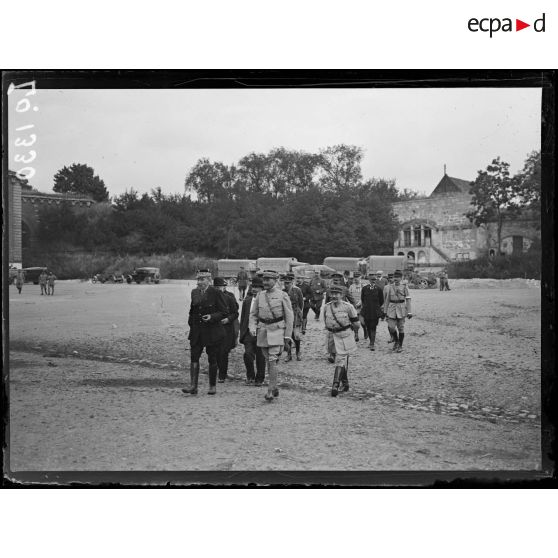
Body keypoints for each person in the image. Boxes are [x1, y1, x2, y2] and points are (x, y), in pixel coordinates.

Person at [249, 270, 294, 402]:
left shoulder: (282, 295)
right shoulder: (260, 295)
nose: (266, 282)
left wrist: (287, 336)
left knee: (273, 359)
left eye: (269, 279)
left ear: (275, 280)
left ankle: (269, 390)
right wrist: (252, 327)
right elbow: (253, 314)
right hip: (263, 331)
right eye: (264, 280)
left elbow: (289, 317)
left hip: (277, 331)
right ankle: (274, 386)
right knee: (268, 359)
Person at [182, 269, 229, 396]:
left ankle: (212, 386)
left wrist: (212, 317)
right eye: (198, 279)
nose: (199, 282)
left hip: (212, 332)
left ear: (209, 280)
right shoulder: (194, 292)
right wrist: (191, 325)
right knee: (194, 357)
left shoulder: (216, 293)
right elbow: (192, 311)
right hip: (197, 332)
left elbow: (224, 312)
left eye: (202, 279)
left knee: (212, 358)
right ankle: (193, 386)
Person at [322, 284, 360, 397]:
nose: (334, 296)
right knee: (340, 360)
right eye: (332, 294)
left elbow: (356, 324)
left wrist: (352, 333)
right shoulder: (327, 307)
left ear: (342, 295)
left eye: (337, 294)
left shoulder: (348, 307)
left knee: (340, 359)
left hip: (344, 335)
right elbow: (325, 322)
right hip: (331, 336)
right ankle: (345, 383)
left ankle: (335, 385)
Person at [239, 277, 266, 386]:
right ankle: (250, 376)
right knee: (248, 354)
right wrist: (242, 333)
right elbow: (243, 318)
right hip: (248, 333)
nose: (254, 289)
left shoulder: (265, 301)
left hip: (261, 332)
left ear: (262, 289)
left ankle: (259, 378)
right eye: (253, 287)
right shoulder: (247, 301)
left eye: (257, 287)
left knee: (260, 356)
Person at [214, 277, 239, 383]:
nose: (220, 289)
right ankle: (217, 370)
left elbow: (235, 312)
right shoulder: (211, 297)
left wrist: (228, 319)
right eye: (218, 287)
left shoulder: (229, 296)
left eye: (222, 287)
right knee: (215, 352)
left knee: (224, 352)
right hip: (214, 328)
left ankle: (222, 375)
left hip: (227, 328)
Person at [383, 269, 412, 353]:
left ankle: (400, 345)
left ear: (401, 278)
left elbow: (408, 300)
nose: (396, 278)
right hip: (391, 309)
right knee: (391, 327)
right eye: (395, 277)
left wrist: (409, 312)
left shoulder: (404, 287)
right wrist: (385, 311)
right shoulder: (390, 287)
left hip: (401, 309)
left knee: (401, 328)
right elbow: (387, 300)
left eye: (398, 277)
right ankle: (396, 341)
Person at [361, 272, 385, 351]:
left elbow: (381, 301)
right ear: (369, 280)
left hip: (375, 311)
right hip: (367, 311)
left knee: (373, 327)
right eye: (372, 279)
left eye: (374, 279)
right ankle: (371, 341)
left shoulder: (379, 289)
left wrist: (376, 307)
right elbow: (363, 299)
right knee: (368, 326)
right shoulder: (364, 289)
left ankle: (372, 344)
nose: (373, 281)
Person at [283, 273, 304, 361]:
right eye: (285, 283)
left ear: (292, 282)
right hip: (286, 315)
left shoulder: (297, 290)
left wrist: (300, 314)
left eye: (288, 283)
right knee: (288, 335)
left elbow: (301, 303)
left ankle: (298, 352)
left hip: (296, 315)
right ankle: (289, 354)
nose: (286, 284)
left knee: (296, 335)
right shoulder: (283, 291)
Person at [348, 272, 365, 341]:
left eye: (357, 277)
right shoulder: (351, 286)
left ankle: (365, 330)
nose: (356, 279)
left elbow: (365, 296)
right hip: (353, 306)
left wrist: (360, 302)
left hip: (362, 306)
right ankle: (356, 334)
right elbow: (349, 296)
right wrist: (352, 303)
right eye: (355, 278)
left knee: (362, 322)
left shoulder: (363, 286)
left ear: (360, 277)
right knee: (354, 321)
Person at [383, 273, 395, 344]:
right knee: (389, 324)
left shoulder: (398, 286)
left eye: (392, 277)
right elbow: (384, 299)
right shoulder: (386, 287)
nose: (391, 279)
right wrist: (385, 309)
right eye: (389, 278)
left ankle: (395, 337)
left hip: (397, 307)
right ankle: (392, 337)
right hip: (389, 308)